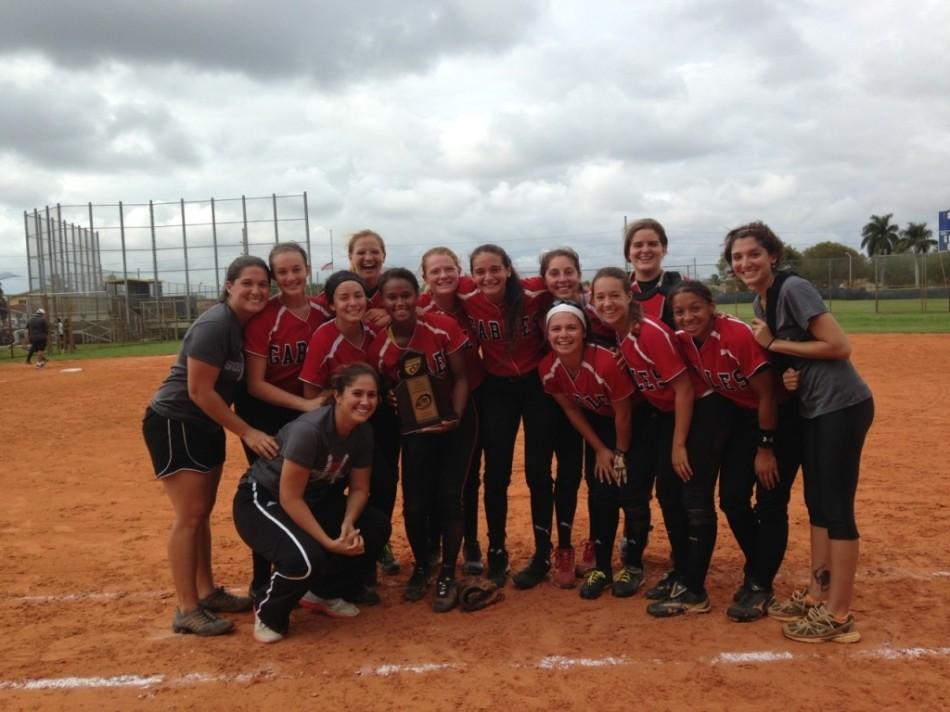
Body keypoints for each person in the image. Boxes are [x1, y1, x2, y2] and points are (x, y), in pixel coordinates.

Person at [725, 221, 873, 643]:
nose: (745, 262)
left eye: (753, 254)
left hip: (842, 405)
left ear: (773, 255)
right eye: (737, 257)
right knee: (817, 504)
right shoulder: (761, 302)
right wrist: (790, 373)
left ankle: (839, 613)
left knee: (836, 506)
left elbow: (838, 345)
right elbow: (796, 358)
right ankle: (816, 594)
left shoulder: (792, 288)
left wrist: (775, 346)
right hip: (814, 409)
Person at [142, 255, 277, 636]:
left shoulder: (238, 326)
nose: (255, 290)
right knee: (190, 514)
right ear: (229, 285)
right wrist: (247, 432)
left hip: (204, 424)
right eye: (247, 283)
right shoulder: (217, 323)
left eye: (262, 284)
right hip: (177, 420)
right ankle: (187, 608)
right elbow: (199, 391)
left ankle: (205, 591)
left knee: (201, 512)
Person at [592, 267, 729, 617]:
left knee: (694, 498)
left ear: (629, 297)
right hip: (673, 416)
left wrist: (679, 443)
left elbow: (684, 388)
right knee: (670, 495)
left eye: (614, 295)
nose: (607, 302)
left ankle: (695, 590)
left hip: (701, 411)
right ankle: (681, 571)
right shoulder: (623, 334)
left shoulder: (647, 332)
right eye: (600, 297)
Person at [670, 280, 800, 622]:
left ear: (711, 306)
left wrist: (766, 449)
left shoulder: (735, 337)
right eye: (680, 311)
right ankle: (759, 569)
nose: (688, 316)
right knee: (731, 500)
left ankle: (760, 584)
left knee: (770, 501)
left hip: (779, 421)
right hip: (745, 420)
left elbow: (769, 395)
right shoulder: (685, 341)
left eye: (696, 308)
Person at [232, 363, 390, 643]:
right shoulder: (311, 430)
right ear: (338, 396)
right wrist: (329, 543)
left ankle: (323, 593)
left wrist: (348, 524)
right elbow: (289, 498)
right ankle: (269, 612)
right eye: (357, 394)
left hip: (309, 500)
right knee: (305, 559)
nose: (366, 402)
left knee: (374, 527)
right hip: (262, 499)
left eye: (372, 395)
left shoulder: (362, 432)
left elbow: (359, 488)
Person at [369, 268, 474, 611]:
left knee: (449, 500)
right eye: (392, 297)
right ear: (382, 301)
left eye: (406, 295)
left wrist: (454, 418)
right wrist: (389, 397)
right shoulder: (379, 344)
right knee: (414, 505)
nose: (400, 303)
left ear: (419, 295)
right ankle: (423, 565)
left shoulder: (442, 326)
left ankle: (447, 572)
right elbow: (383, 389)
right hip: (415, 427)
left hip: (455, 421)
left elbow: (461, 378)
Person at [456, 244, 557, 588]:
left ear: (509, 269)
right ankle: (496, 549)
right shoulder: (466, 295)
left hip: (536, 384)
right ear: (471, 275)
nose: (488, 277)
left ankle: (544, 552)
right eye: (480, 271)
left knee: (538, 471)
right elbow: (427, 298)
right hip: (496, 387)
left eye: (495, 269)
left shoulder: (534, 291)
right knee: (495, 473)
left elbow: (570, 292)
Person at [236, 242, 331, 602]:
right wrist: (304, 407)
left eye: (297, 269)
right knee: (269, 493)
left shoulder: (324, 311)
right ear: (275, 277)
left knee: (311, 491)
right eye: (282, 272)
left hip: (306, 410)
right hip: (266, 412)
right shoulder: (265, 318)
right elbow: (255, 383)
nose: (291, 278)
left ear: (308, 270)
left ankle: (309, 578)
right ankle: (263, 582)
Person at [537, 301, 640, 598]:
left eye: (571, 327)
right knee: (601, 490)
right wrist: (599, 450)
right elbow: (571, 410)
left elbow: (624, 413)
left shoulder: (606, 362)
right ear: (547, 333)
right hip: (600, 425)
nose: (563, 334)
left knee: (630, 490)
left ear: (584, 331)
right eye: (556, 328)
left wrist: (619, 454)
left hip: (635, 422)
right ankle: (602, 567)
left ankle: (633, 564)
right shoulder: (548, 368)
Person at [418, 247, 486, 575]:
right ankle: (434, 542)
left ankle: (471, 542)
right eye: (435, 271)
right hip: (429, 404)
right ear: (425, 278)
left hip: (473, 394)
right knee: (431, 477)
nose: (443, 276)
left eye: (449, 269)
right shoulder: (416, 309)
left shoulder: (472, 303)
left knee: (467, 477)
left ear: (460, 271)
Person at [623, 218, 683, 329]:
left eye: (652, 244)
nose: (645, 250)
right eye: (638, 245)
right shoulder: (619, 286)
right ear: (628, 252)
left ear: (663, 249)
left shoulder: (680, 283)